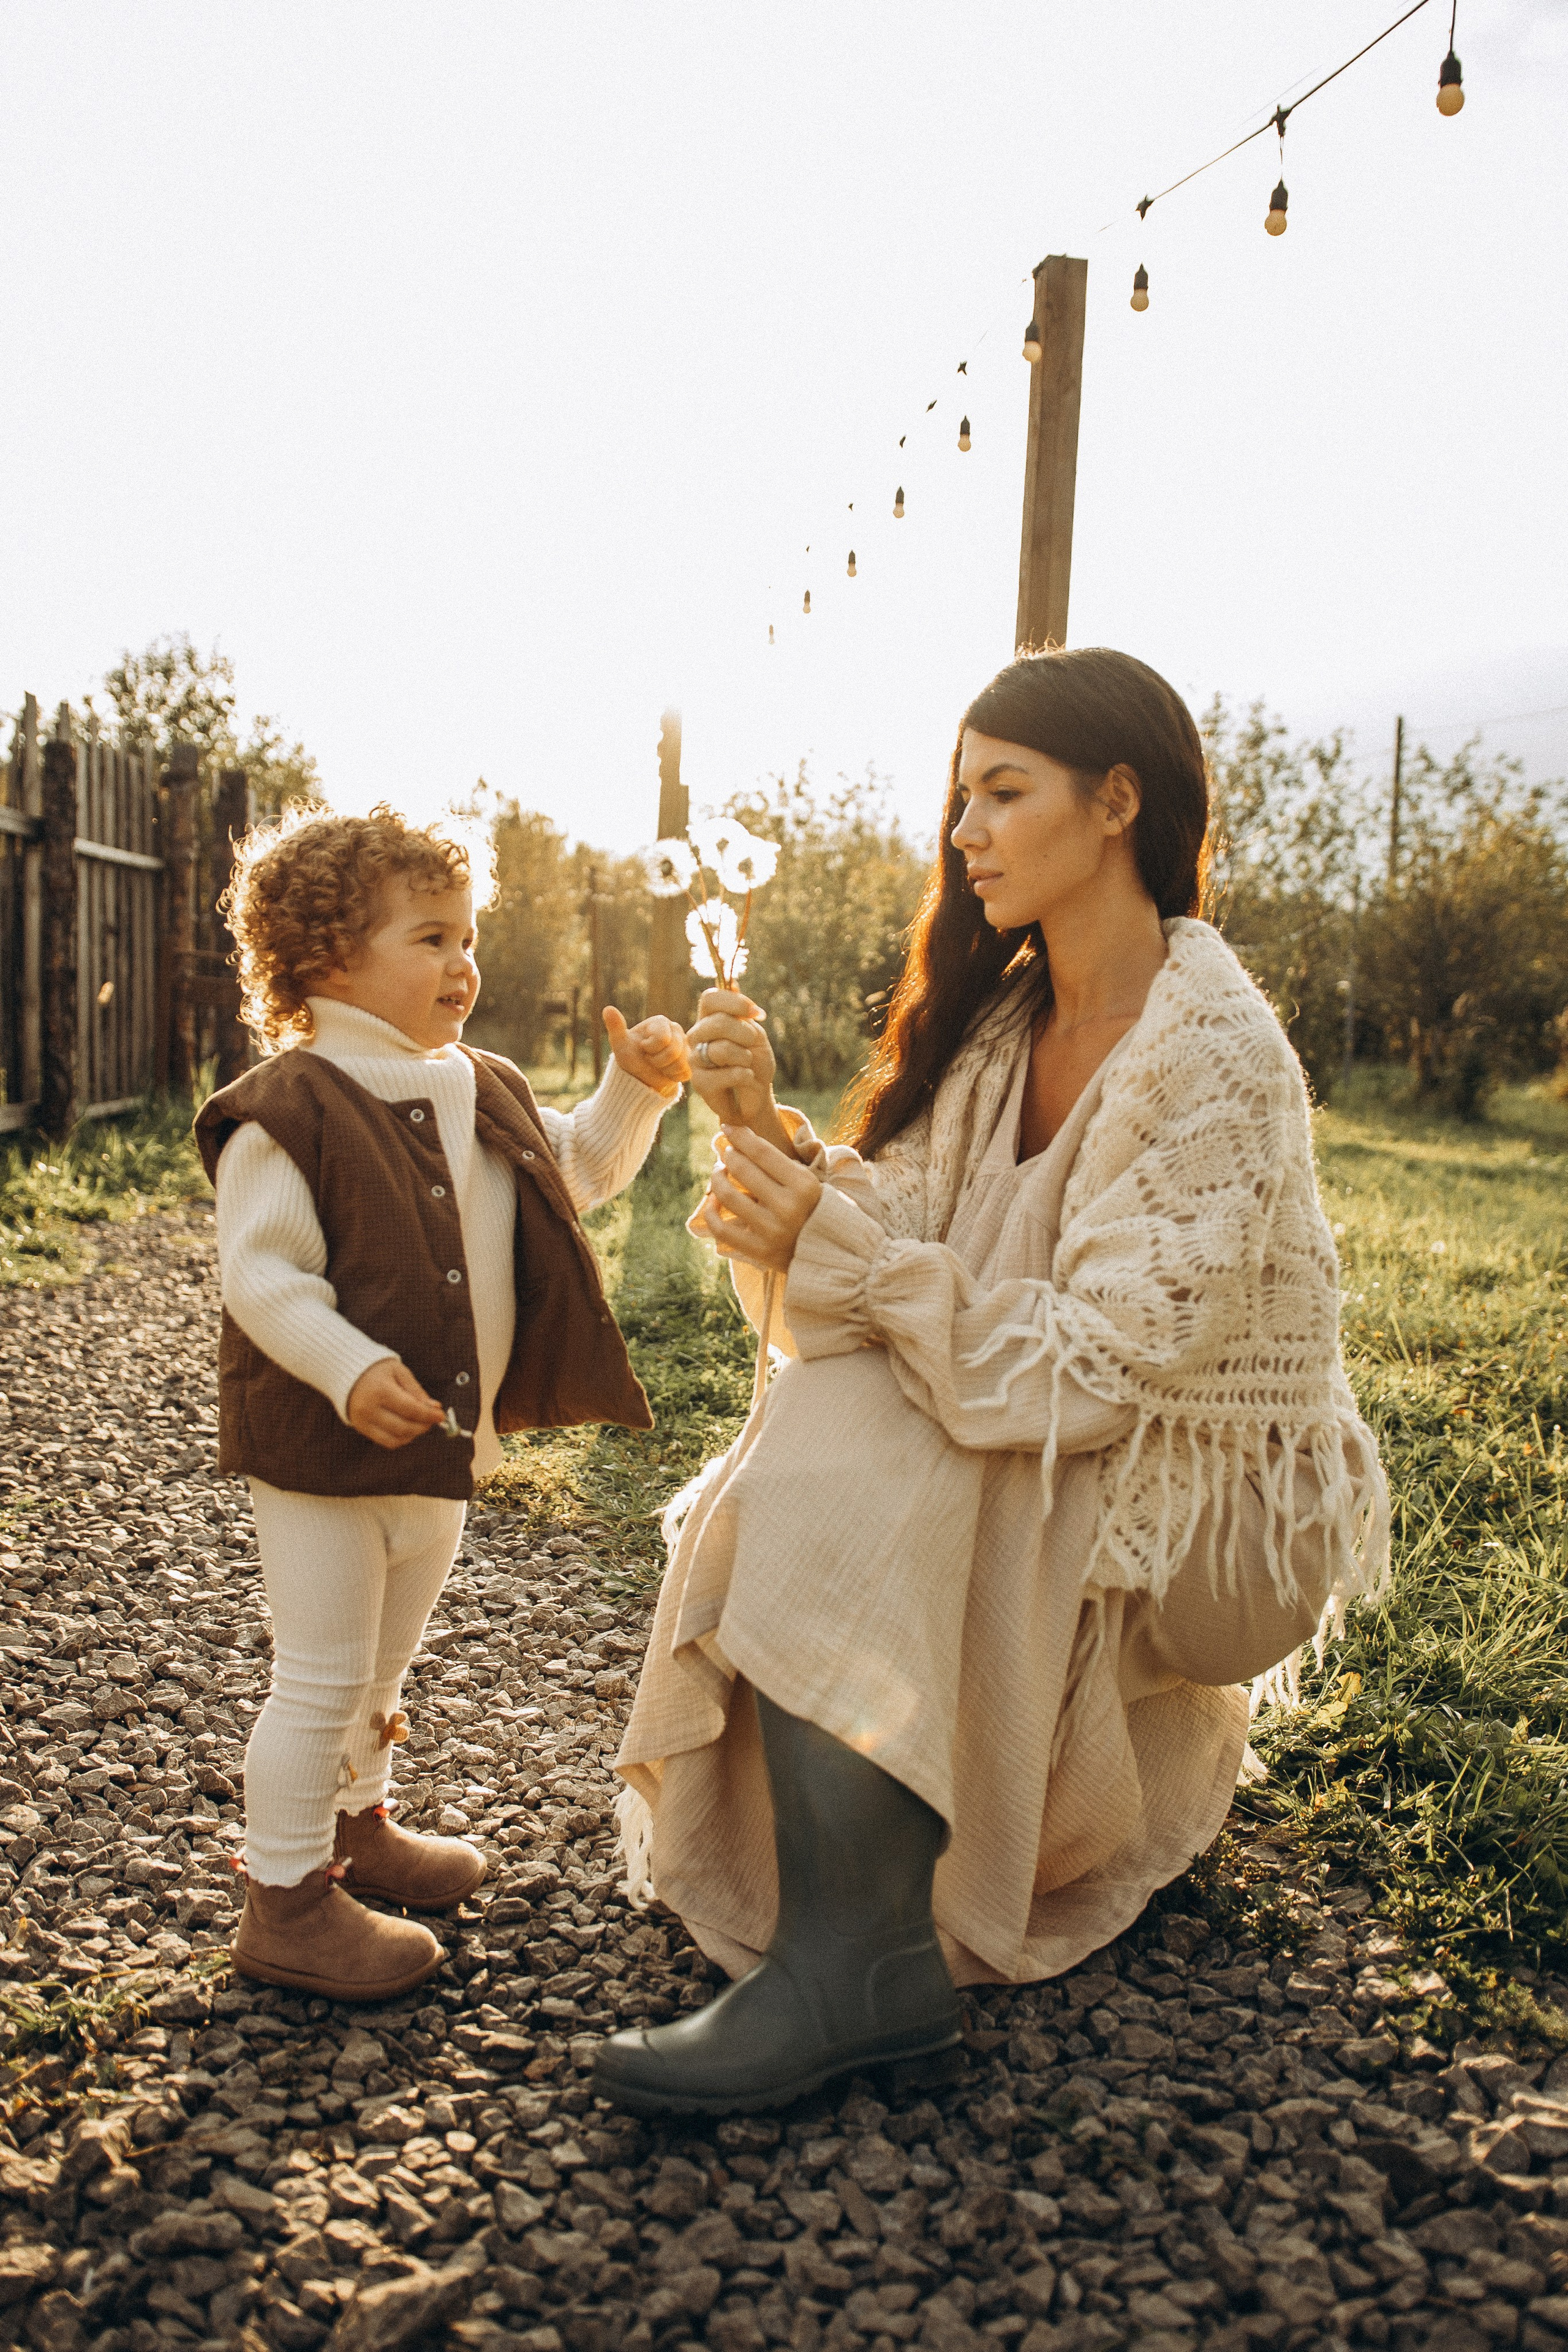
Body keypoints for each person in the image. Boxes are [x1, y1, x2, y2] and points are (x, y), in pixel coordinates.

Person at [595, 646, 1389, 2117]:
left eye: (999, 791)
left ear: (1116, 803)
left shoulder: (1213, 1053)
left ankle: (852, 1960)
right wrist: (769, 1136)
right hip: (1043, 1421)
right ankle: (857, 1949)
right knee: (839, 1408)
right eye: (959, 795)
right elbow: (896, 1236)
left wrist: (848, 1259)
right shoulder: (1002, 1023)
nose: (961, 831)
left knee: (858, 1416)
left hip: (1189, 1520)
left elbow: (1099, 1365)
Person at [195, 804, 688, 2002]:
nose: (462, 964)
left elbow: (567, 1177)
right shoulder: (290, 1108)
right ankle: (285, 1901)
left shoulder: (483, 1083)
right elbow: (262, 1275)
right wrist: (345, 1367)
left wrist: (632, 1093)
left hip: (440, 1456)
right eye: (429, 938)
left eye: (467, 937)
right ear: (327, 959)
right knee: (318, 1672)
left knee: (380, 1672)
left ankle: (358, 1823)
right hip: (321, 1452)